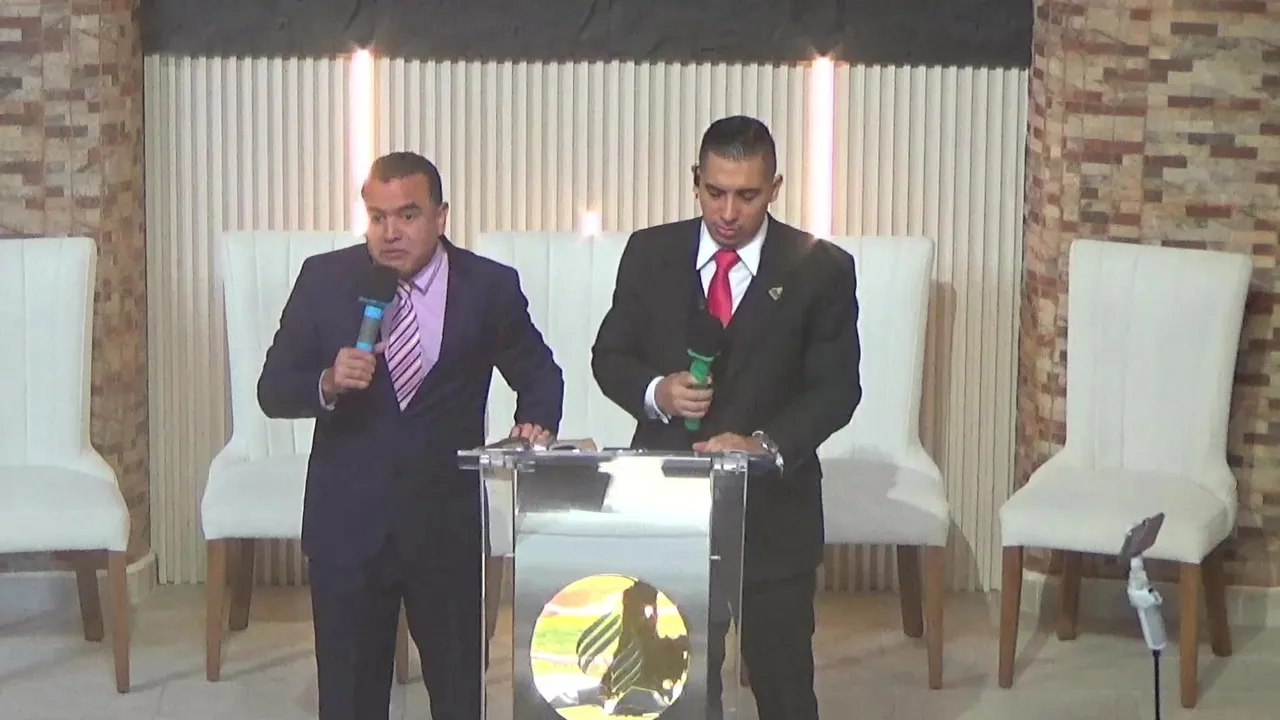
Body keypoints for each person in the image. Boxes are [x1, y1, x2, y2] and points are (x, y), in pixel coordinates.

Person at [257, 151, 564, 719]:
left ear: (440, 217)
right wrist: (327, 381)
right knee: (349, 700)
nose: (390, 233)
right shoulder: (324, 280)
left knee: (457, 694)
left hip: (444, 527)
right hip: (347, 527)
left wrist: (534, 422)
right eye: (377, 217)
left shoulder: (488, 286)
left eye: (407, 215)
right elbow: (273, 389)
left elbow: (540, 375)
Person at [590, 116, 861, 720]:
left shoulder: (821, 268)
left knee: (784, 689)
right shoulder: (650, 253)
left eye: (747, 195)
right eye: (715, 192)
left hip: (773, 516)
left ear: (775, 188)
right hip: (667, 506)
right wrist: (658, 392)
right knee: (672, 690)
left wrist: (765, 444)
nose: (729, 212)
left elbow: (837, 389)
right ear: (696, 180)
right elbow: (610, 356)